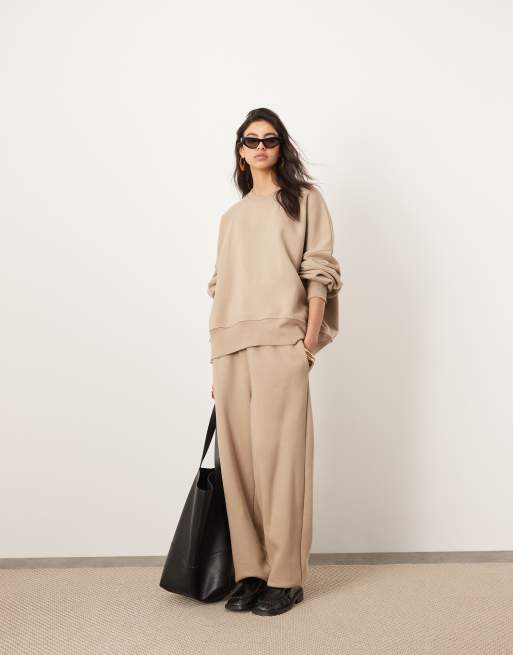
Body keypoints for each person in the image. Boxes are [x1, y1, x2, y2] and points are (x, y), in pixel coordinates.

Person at [207, 107, 342, 616]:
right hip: (230, 349)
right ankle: (251, 571)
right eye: (251, 140)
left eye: (270, 139)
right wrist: (217, 358)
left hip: (282, 345)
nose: (261, 147)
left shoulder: (305, 200)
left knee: (281, 464)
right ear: (240, 152)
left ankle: (285, 577)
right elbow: (222, 287)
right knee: (240, 467)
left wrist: (307, 343)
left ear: (281, 147)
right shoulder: (231, 218)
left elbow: (319, 272)